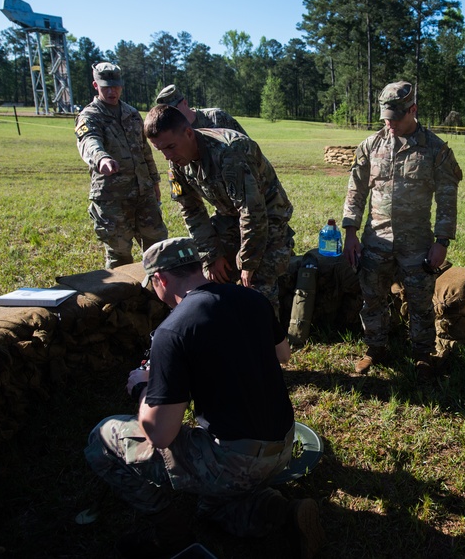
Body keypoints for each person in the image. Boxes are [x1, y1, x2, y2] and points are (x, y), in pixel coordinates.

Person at [84, 238, 323, 559]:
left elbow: (161, 433)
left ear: (161, 279)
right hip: (283, 446)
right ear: (198, 268)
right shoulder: (251, 299)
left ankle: (169, 535)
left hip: (235, 462)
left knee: (103, 437)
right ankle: (279, 514)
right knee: (210, 507)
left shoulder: (172, 331)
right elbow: (284, 354)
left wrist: (143, 386)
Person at [343, 81, 462, 377]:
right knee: (373, 299)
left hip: (416, 243)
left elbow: (447, 199)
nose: (390, 124)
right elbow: (355, 192)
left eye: (396, 118)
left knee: (420, 303)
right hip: (376, 240)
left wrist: (442, 241)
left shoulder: (435, 149)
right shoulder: (371, 145)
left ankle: (422, 354)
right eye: (386, 119)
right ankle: (375, 348)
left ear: (413, 110)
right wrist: (350, 233)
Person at [143, 104, 294, 318]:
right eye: (161, 150)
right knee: (211, 276)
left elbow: (253, 212)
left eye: (170, 147)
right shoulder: (178, 161)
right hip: (230, 215)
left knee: (257, 285)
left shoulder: (230, 152)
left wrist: (248, 263)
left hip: (269, 215)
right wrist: (212, 255)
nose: (167, 156)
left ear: (188, 133)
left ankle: (269, 344)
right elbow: (191, 211)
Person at [75, 62, 168, 268]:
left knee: (158, 249)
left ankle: (157, 297)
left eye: (115, 86)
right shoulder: (90, 115)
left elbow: (145, 150)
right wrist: (101, 159)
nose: (111, 91)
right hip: (112, 197)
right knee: (120, 256)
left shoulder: (132, 113)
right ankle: (122, 299)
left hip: (143, 194)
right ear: (95, 85)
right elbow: (89, 141)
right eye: (106, 86)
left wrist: (154, 181)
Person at [155, 84, 248, 135]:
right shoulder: (175, 132)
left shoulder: (216, 117)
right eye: (168, 111)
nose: (172, 113)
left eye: (175, 108)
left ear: (185, 103)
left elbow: (246, 144)